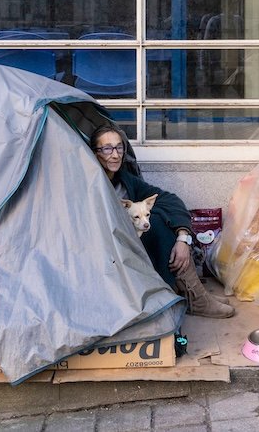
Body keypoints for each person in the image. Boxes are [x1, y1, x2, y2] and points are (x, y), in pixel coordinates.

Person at [90, 124, 235, 319]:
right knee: (157, 224)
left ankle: (195, 295)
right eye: (107, 148)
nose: (115, 155)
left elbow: (169, 199)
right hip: (108, 251)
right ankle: (194, 297)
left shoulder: (125, 180)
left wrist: (183, 237)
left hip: (133, 243)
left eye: (119, 147)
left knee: (156, 215)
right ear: (95, 152)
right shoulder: (91, 183)